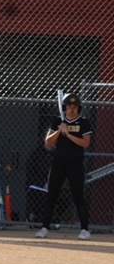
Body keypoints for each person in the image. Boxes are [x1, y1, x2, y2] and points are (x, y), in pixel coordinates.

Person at [35, 93, 92, 240]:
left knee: (78, 196)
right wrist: (60, 130)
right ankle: (44, 228)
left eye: (75, 107)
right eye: (69, 106)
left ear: (78, 108)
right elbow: (48, 143)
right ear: (65, 107)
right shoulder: (57, 121)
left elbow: (85, 143)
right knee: (52, 194)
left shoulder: (83, 123)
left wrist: (68, 134)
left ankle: (85, 230)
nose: (72, 109)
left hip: (75, 162)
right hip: (59, 162)